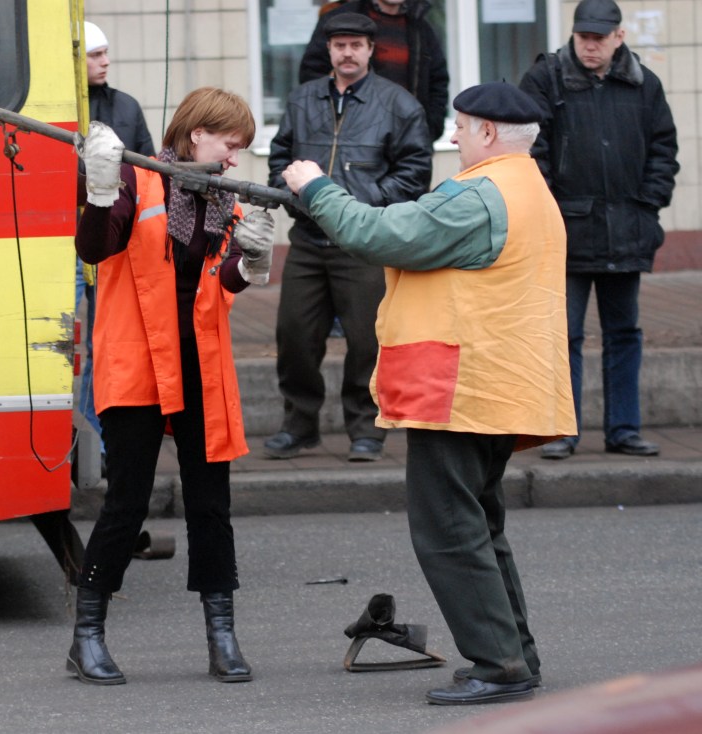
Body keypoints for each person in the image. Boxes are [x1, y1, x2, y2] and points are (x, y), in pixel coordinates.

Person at [280, 81, 577, 704]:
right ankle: (515, 656)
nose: (455, 137)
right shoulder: (530, 190)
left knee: (449, 531)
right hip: (498, 386)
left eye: (463, 127)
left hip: (462, 389)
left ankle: (500, 666)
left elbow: (377, 233)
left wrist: (315, 186)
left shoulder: (480, 195)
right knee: (480, 526)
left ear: (490, 134)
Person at [67, 87, 273, 685]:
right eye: (231, 145)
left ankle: (222, 636)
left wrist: (251, 263)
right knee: (126, 504)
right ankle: (87, 637)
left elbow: (223, 282)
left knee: (211, 504)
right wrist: (100, 193)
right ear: (195, 135)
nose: (235, 159)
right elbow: (94, 248)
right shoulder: (137, 182)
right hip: (138, 364)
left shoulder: (222, 198)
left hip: (201, 366)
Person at [265, 12, 431, 462]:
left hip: (365, 243)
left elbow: (415, 172)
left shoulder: (398, 104)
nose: (348, 53)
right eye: (340, 45)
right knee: (294, 336)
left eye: (356, 45)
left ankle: (366, 430)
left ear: (371, 50)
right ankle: (299, 427)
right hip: (308, 240)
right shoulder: (302, 100)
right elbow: (281, 157)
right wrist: (292, 196)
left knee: (367, 341)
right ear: (328, 50)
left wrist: (365, 202)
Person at [519, 0, 679, 460]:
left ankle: (624, 430)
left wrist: (648, 205)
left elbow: (663, 150)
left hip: (628, 226)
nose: (590, 45)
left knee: (624, 332)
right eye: (583, 36)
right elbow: (532, 149)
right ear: (574, 35)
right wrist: (548, 210)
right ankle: (563, 431)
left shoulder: (645, 84)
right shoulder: (545, 78)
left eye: (599, 37)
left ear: (618, 37)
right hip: (565, 231)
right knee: (564, 333)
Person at [75, 21, 157, 469]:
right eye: (95, 55)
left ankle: (100, 439)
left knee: (108, 340)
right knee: (64, 344)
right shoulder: (61, 107)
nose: (105, 61)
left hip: (111, 235)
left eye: (106, 53)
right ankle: (70, 435)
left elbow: (146, 170)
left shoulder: (125, 106)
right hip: (66, 237)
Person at [298, 0, 449, 141]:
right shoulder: (341, 20)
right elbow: (312, 76)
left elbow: (438, 81)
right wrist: (336, 125)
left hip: (407, 140)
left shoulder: (420, 26)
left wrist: (428, 129)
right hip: (354, 143)